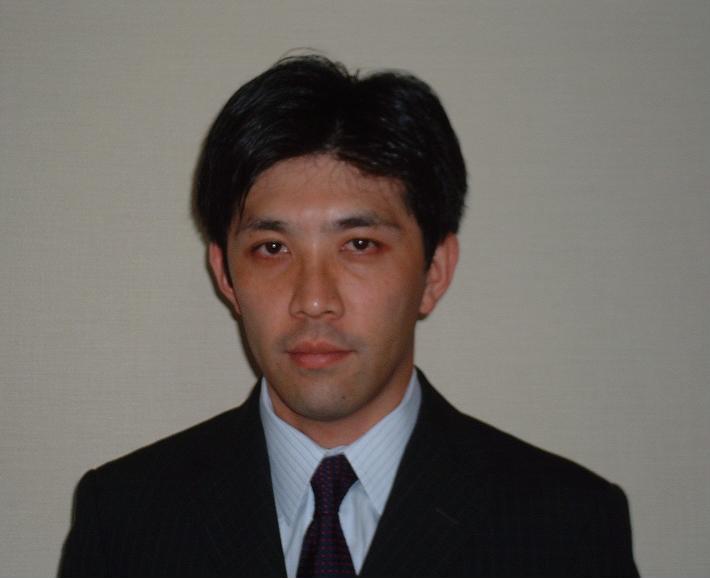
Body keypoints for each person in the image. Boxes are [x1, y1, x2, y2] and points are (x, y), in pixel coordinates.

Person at [59, 55, 639, 578]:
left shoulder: (567, 527)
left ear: (434, 272)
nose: (313, 300)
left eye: (359, 245)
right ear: (225, 275)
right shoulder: (124, 519)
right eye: (272, 248)